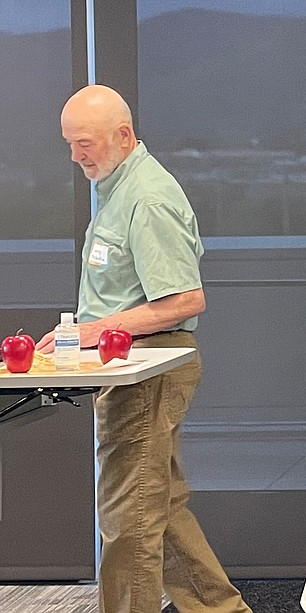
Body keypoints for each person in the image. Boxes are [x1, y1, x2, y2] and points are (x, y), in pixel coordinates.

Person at [36, 85, 251, 613]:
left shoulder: (148, 198)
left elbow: (185, 299)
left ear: (124, 135)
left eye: (83, 142)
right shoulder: (118, 188)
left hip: (148, 369)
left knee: (129, 515)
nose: (74, 156)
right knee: (161, 504)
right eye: (69, 144)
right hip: (130, 366)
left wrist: (93, 330)